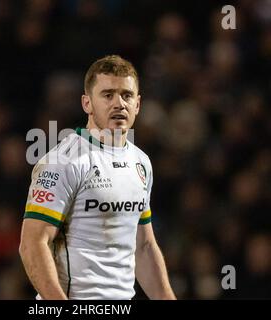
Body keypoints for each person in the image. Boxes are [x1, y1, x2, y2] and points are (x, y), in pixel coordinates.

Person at [19, 55, 176, 300]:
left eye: (126, 95)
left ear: (138, 104)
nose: (119, 103)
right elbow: (32, 244)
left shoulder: (141, 162)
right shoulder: (62, 161)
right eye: (107, 95)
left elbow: (143, 247)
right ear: (87, 103)